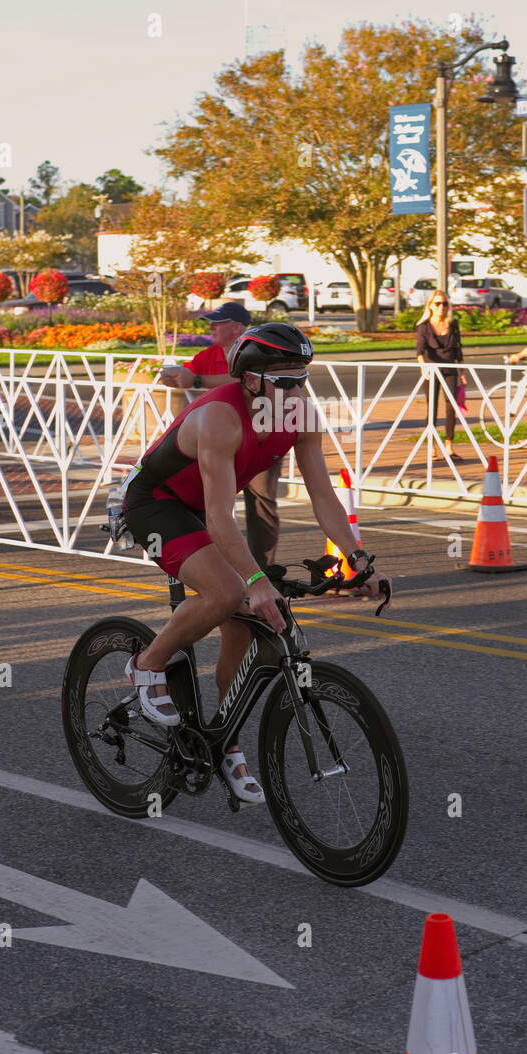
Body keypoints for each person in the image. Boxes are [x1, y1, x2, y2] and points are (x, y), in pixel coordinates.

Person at [121, 323, 391, 805]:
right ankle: (147, 664)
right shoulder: (220, 419)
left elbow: (323, 495)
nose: (295, 391)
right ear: (250, 380)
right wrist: (254, 579)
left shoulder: (301, 415)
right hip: (156, 502)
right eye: (283, 381)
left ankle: (223, 739)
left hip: (203, 508)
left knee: (244, 622)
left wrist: (359, 559)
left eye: (302, 379)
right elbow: (223, 518)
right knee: (229, 593)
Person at [160, 302, 282, 572]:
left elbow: (244, 381)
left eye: (218, 322)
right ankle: (216, 566)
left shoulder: (257, 351)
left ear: (237, 328)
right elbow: (190, 374)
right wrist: (174, 375)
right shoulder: (209, 354)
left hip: (262, 432)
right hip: (221, 437)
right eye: (211, 323)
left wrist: (198, 380)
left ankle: (264, 571)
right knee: (208, 499)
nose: (211, 327)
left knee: (261, 498)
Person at [415, 290, 467, 461]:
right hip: (431, 370)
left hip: (450, 368)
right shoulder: (424, 326)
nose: (441, 307)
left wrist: (462, 371)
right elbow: (420, 351)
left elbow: (458, 349)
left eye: (444, 303)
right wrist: (423, 367)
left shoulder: (452, 324)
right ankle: (432, 447)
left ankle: (449, 445)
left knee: (451, 406)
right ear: (430, 306)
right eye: (437, 303)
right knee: (432, 408)